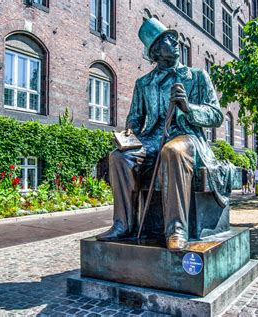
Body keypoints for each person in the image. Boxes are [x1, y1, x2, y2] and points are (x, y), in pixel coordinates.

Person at [96, 18, 238, 251]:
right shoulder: (144, 83)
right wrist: (130, 134)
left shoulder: (198, 77)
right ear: (155, 52)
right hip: (151, 139)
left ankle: (176, 230)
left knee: (172, 150)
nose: (175, 41)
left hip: (188, 137)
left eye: (173, 38)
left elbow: (215, 115)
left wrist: (188, 108)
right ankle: (124, 225)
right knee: (119, 158)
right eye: (167, 40)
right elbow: (135, 117)